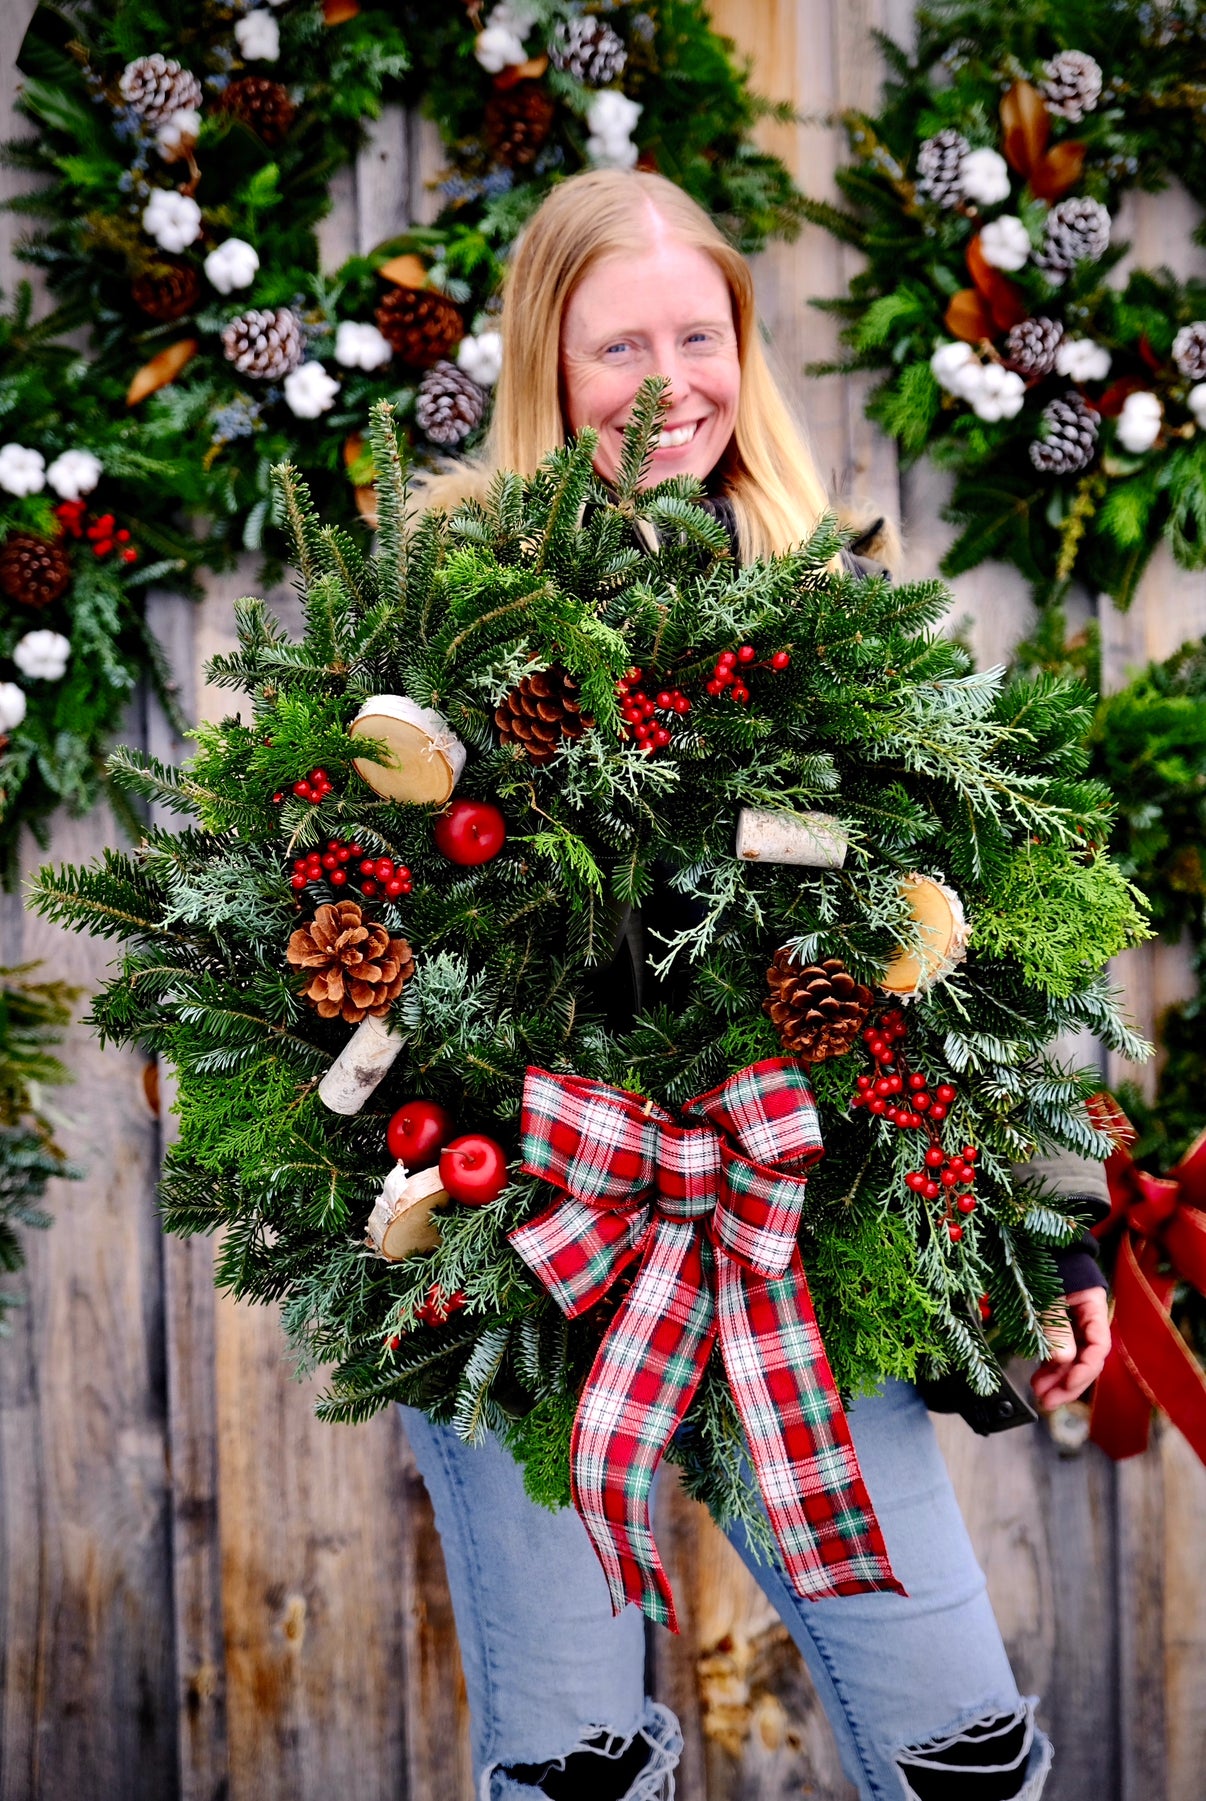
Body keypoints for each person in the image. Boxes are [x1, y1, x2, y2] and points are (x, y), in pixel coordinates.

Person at [403, 167, 1111, 1801]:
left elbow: (987, 936)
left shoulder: (838, 601)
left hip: (797, 1241)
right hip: (538, 1251)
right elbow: (347, 932)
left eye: (699, 335)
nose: (667, 386)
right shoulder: (443, 611)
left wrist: (1050, 1220)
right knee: (574, 1767)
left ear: (744, 346)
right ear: (541, 362)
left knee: (960, 1748)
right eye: (612, 346)